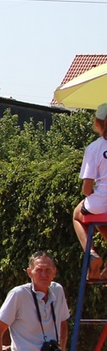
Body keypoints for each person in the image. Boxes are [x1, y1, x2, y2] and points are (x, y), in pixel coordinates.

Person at [75, 103, 107, 281]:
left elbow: (87, 189)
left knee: (77, 214)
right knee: (102, 220)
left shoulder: (94, 148)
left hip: (100, 202)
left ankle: (92, 253)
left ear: (97, 122)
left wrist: (94, 194)